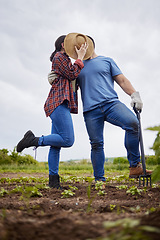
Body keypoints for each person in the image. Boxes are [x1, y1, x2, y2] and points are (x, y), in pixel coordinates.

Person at [16, 34, 91, 189]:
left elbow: (72, 78)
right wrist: (81, 58)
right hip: (58, 103)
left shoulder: (65, 60)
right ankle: (33, 140)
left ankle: (54, 183)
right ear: (63, 45)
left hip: (61, 104)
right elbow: (71, 74)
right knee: (68, 140)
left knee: (56, 145)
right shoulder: (59, 57)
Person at [75, 35, 152, 182]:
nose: (81, 49)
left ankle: (135, 166)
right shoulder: (77, 67)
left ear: (90, 44)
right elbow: (71, 87)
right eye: (78, 47)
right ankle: (99, 180)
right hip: (91, 111)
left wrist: (134, 95)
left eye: (83, 46)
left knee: (133, 123)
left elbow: (122, 80)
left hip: (111, 104)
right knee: (96, 144)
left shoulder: (106, 61)